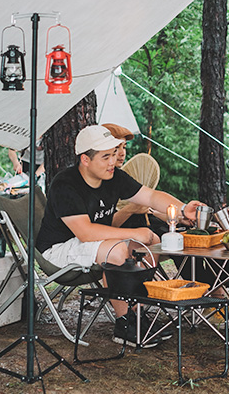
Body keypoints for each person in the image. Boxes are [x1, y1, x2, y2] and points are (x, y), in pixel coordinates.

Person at [35, 124, 204, 347]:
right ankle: (123, 324)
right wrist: (134, 232)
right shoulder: (65, 184)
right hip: (59, 249)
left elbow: (151, 197)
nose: (113, 162)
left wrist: (183, 209)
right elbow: (85, 232)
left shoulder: (113, 176)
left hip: (95, 242)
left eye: (114, 155)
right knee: (118, 250)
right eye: (106, 157)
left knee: (151, 242)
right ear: (85, 159)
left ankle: (138, 314)